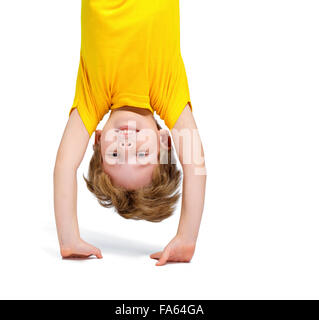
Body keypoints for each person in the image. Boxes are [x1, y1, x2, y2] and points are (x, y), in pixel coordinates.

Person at [54, 0, 206, 266]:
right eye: (142, 153)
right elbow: (195, 163)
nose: (126, 145)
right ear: (164, 142)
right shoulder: (168, 93)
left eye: (115, 155)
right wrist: (187, 236)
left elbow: (65, 166)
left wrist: (68, 238)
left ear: (98, 140)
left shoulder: (92, 99)